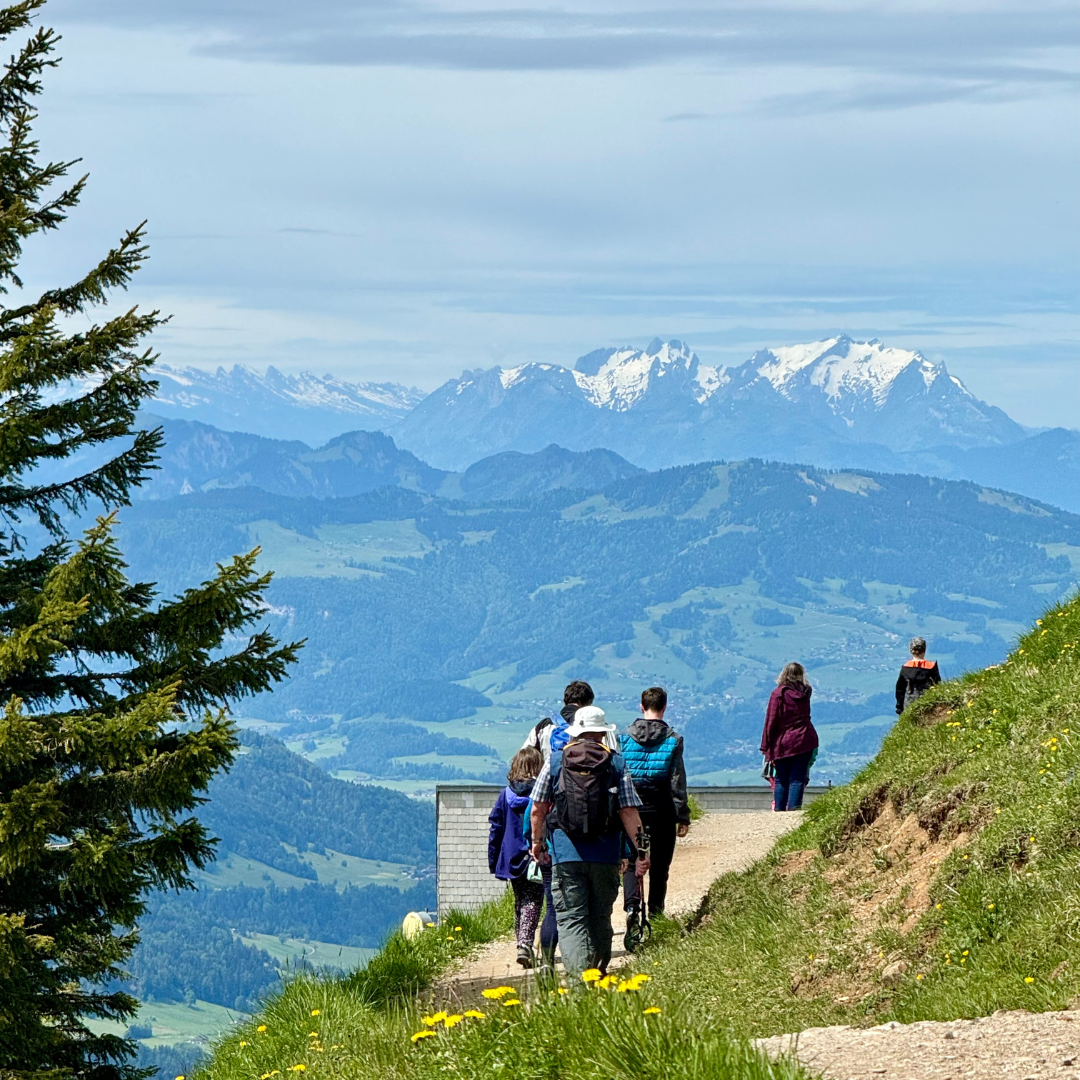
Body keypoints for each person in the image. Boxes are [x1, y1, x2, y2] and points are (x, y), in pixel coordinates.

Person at [529, 706, 649, 979]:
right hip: (606, 854)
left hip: (566, 853)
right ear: (601, 733)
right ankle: (597, 974)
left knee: (571, 919)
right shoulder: (616, 763)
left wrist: (537, 843)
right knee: (600, 917)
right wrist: (642, 851)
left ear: (575, 732)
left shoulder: (556, 762)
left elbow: (538, 808)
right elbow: (629, 810)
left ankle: (579, 984)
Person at [617, 687, 690, 944]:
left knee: (631, 861)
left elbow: (619, 777)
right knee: (659, 868)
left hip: (632, 809)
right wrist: (682, 815)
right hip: (661, 811)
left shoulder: (623, 738)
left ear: (641, 706)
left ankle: (632, 907)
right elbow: (676, 781)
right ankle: (656, 918)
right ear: (665, 707)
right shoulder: (673, 739)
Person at [488, 747, 545, 968]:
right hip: (534, 854)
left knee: (520, 899)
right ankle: (525, 943)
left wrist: (494, 859)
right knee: (533, 899)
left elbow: (496, 828)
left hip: (511, 857)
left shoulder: (505, 795)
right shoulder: (540, 795)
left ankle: (521, 943)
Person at [760, 662, 819, 812]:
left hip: (783, 742)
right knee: (797, 778)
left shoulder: (778, 694)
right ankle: (794, 812)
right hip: (805, 738)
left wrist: (766, 745)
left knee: (781, 778)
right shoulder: (806, 692)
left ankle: (780, 811)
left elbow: (771, 720)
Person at [895, 637, 941, 714]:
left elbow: (900, 690)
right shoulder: (931, 667)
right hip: (928, 703)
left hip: (909, 705)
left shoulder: (905, 668)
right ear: (924, 650)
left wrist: (899, 708)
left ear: (911, 650)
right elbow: (938, 685)